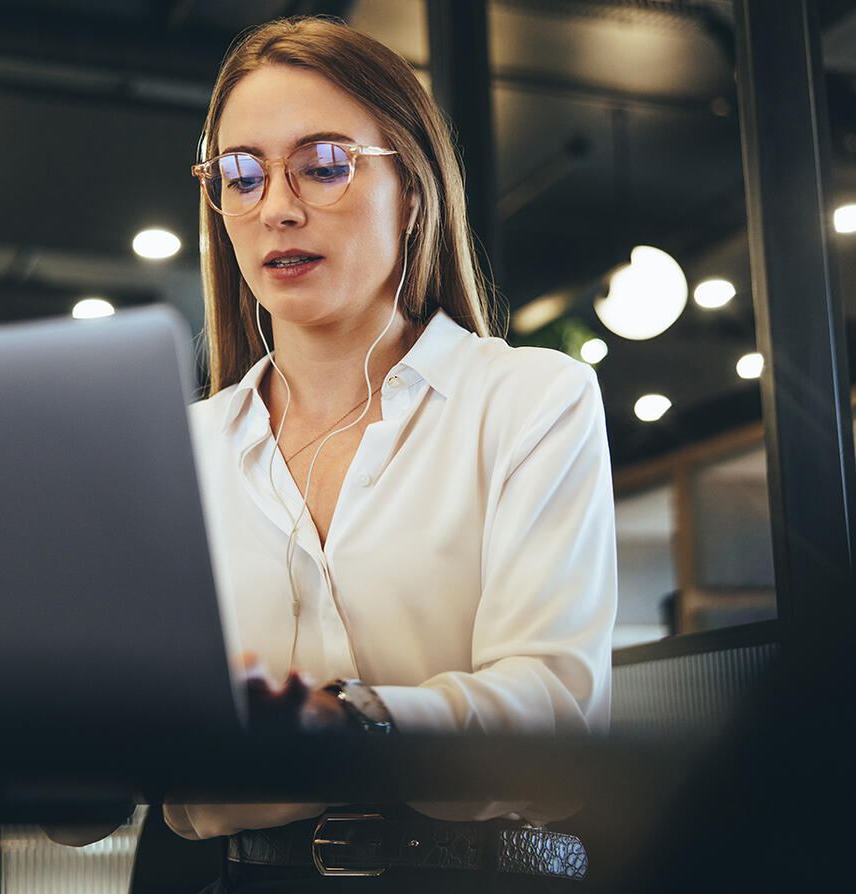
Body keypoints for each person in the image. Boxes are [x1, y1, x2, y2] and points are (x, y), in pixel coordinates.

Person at [165, 14, 618, 893]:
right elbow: (149, 767)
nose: (277, 207)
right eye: (241, 176)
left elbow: (552, 714)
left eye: (324, 164)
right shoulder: (184, 452)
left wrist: (347, 723)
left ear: (412, 191)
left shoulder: (526, 400)